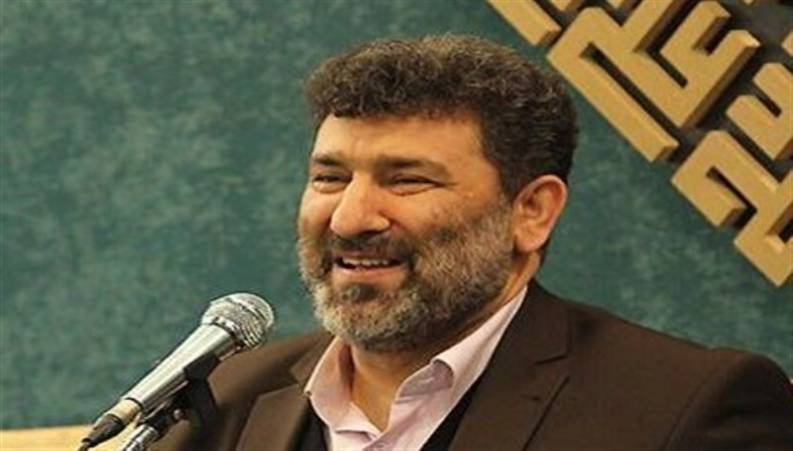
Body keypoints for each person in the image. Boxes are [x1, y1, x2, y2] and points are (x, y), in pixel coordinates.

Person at [153, 35, 793, 451]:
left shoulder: (685, 406)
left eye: (407, 179)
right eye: (330, 177)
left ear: (532, 211)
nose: (349, 218)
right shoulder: (222, 398)